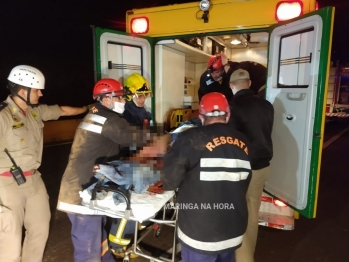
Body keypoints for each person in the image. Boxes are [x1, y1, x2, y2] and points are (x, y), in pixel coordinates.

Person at [57, 78, 167, 262]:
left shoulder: (97, 114)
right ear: (106, 99)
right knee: (88, 250)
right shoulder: (106, 119)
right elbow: (135, 137)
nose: (124, 101)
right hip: (80, 194)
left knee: (100, 243)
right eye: (120, 98)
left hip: (89, 187)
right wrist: (165, 138)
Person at [0, 65, 88, 262]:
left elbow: (62, 110)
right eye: (37, 90)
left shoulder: (34, 112)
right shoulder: (2, 116)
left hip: (33, 180)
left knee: (40, 228)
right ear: (23, 91)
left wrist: (87, 108)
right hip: (6, 184)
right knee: (9, 243)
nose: (41, 93)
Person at [163, 92, 252, 262]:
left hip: (200, 233)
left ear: (201, 116)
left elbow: (169, 181)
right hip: (233, 228)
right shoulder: (244, 141)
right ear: (228, 115)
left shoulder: (190, 138)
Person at [228, 69, 274, 262]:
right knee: (252, 212)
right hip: (263, 166)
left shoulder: (233, 106)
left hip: (242, 169)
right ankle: (248, 254)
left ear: (231, 86)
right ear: (249, 82)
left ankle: (243, 259)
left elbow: (229, 140)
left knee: (238, 214)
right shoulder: (267, 105)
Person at [198, 53, 267, 102]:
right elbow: (202, 96)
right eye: (211, 73)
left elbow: (237, 92)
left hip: (263, 82)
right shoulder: (206, 77)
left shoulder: (234, 69)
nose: (214, 76)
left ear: (223, 69)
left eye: (217, 72)